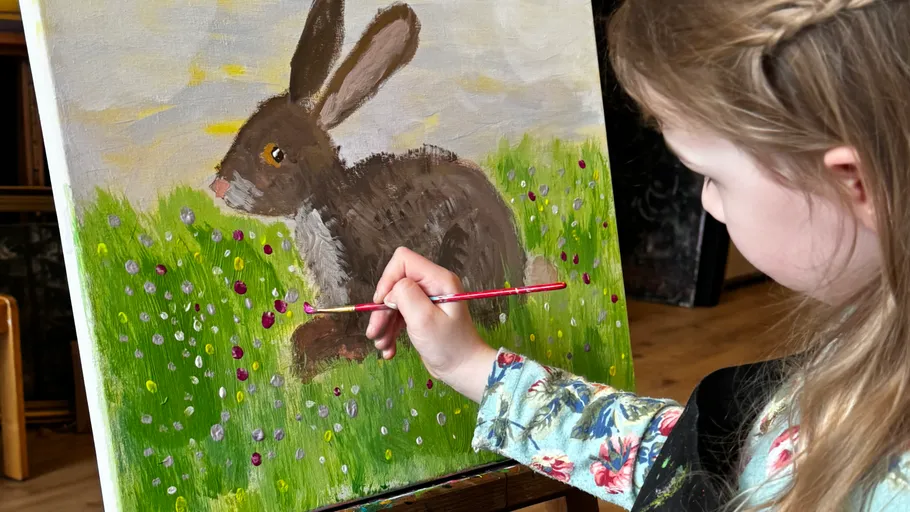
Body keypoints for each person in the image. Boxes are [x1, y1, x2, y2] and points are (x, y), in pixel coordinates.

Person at [367, 0, 910, 510]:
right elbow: (695, 466)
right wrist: (468, 364)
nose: (707, 203)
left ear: (852, 183)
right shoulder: (869, 350)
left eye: (711, 175)